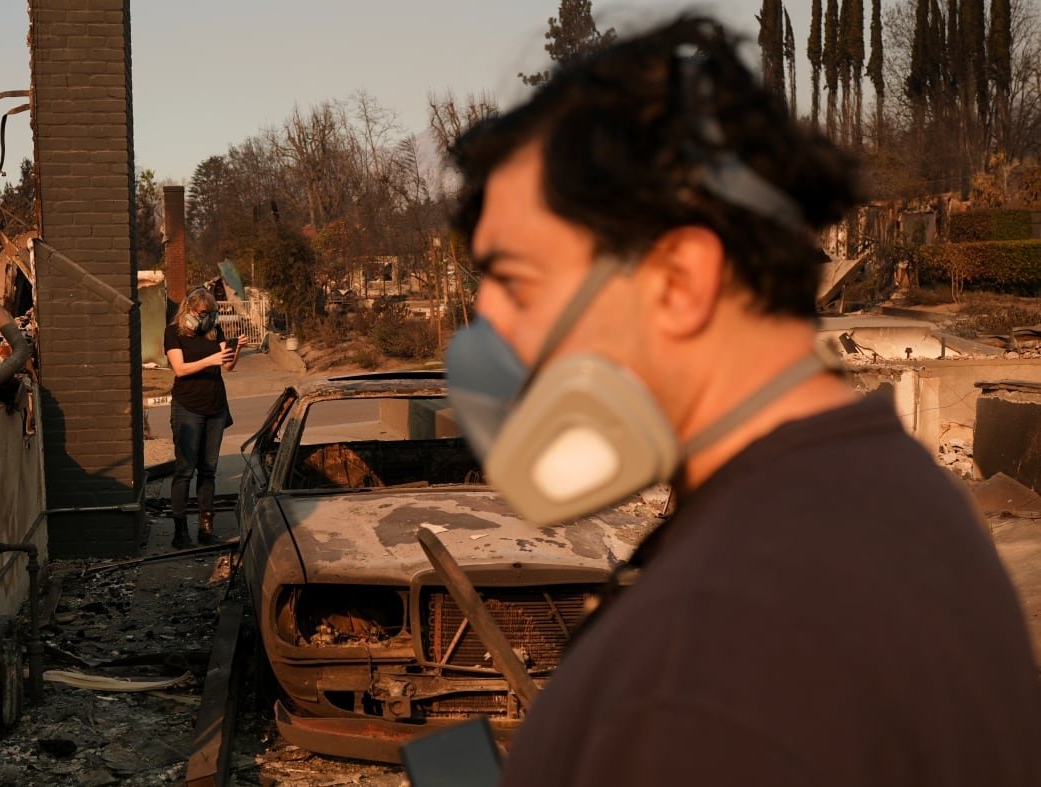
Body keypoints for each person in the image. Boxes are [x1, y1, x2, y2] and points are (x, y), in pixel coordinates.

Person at [443, 14, 1041, 787]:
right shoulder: (878, 496)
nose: (484, 342)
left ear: (681, 280)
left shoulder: (713, 664)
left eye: (518, 283)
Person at [164, 288, 247, 548]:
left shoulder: (214, 331)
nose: (207, 318)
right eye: (203, 313)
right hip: (187, 406)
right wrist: (211, 358)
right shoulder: (173, 333)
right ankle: (180, 532)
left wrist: (236, 349)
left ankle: (205, 527)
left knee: (208, 469)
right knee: (185, 470)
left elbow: (228, 366)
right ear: (188, 310)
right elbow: (180, 369)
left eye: (212, 313)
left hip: (215, 407)